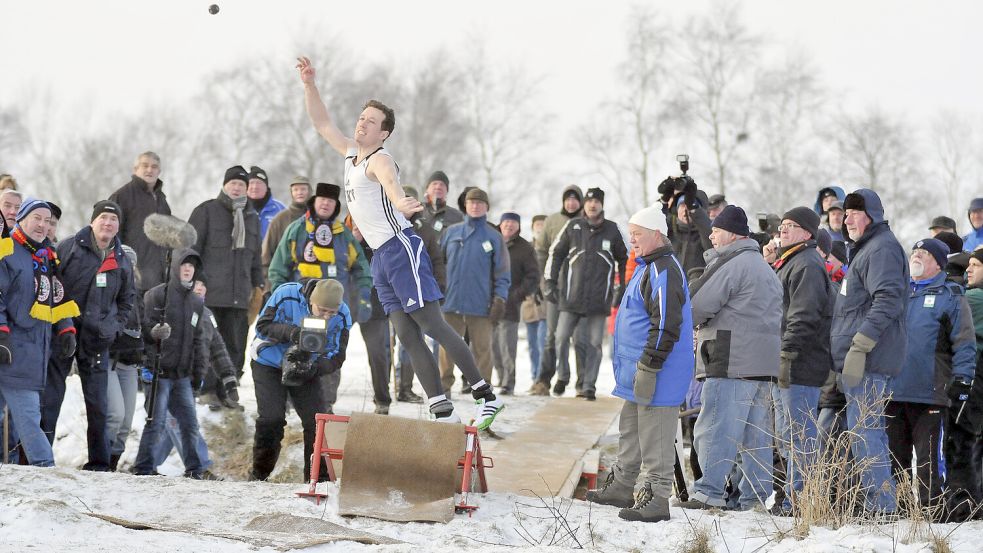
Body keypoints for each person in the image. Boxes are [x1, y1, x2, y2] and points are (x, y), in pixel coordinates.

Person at [297, 56, 503, 428]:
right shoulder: (349, 153)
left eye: (371, 122)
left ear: (384, 133)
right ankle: (441, 409)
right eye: (362, 119)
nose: (362, 125)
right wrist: (310, 85)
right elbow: (321, 122)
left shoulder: (380, 159)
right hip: (379, 256)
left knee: (432, 326)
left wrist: (400, 202)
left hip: (400, 248)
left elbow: (390, 183)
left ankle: (485, 396)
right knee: (406, 335)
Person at [585, 204, 693, 523]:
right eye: (630, 235)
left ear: (656, 234)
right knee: (630, 430)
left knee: (655, 436)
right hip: (637, 372)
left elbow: (667, 324)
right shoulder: (647, 266)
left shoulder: (664, 270)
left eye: (637, 235)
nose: (632, 241)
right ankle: (622, 485)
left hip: (657, 371)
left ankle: (658, 498)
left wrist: (649, 366)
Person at [677, 205, 782, 511]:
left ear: (733, 234)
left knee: (715, 427)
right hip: (763, 365)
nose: (711, 236)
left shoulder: (732, 264)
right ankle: (754, 499)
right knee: (755, 437)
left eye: (717, 230)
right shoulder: (764, 268)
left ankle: (707, 492)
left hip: (730, 359)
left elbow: (696, 305)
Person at [40, 200, 136, 471]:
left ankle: (99, 463)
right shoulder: (70, 246)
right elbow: (53, 287)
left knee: (98, 405)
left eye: (113, 220)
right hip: (65, 333)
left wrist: (114, 327)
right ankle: (39, 457)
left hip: (98, 339)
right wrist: (60, 325)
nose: (108, 223)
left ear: (118, 226)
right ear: (93, 221)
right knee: (51, 398)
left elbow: (128, 299)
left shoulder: (121, 259)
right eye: (103, 218)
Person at [832, 188, 908, 514]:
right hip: (860, 359)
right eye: (845, 212)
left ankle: (882, 508)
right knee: (864, 431)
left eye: (854, 212)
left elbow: (888, 299)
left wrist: (860, 345)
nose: (846, 218)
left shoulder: (882, 249)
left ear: (872, 215)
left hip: (870, 360)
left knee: (866, 432)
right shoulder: (865, 250)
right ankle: (876, 504)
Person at [886, 238, 975, 513]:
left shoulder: (952, 296)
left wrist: (962, 378)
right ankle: (900, 513)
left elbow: (964, 342)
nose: (916, 256)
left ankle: (931, 510)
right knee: (894, 459)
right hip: (893, 390)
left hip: (931, 393)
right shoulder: (898, 292)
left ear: (938, 262)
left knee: (928, 461)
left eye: (923, 253)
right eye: (914, 252)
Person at [269, 181, 371, 413]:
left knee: (329, 353)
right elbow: (278, 267)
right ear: (314, 202)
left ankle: (325, 405)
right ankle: (288, 401)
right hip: (300, 304)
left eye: (331, 201)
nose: (325, 203)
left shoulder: (343, 235)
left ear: (335, 206)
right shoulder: (296, 229)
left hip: (333, 308)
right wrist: (280, 297)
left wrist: (363, 296)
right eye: (322, 199)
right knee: (294, 349)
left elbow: (362, 268)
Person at [0, 200, 79, 467]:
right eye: (37, 218)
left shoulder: (46, 256)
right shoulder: (6, 250)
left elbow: (56, 294)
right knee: (29, 416)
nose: (43, 225)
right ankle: (46, 468)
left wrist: (66, 327)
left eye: (48, 221)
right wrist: (1, 334)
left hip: (35, 349)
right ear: (21, 218)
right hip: (13, 349)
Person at [250, 279, 351, 480]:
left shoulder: (342, 315)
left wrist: (315, 367)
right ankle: (258, 475)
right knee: (272, 419)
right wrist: (293, 333)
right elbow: (262, 326)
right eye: (321, 310)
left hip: (307, 367)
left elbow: (337, 355)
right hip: (269, 361)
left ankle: (316, 479)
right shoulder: (286, 293)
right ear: (311, 300)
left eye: (331, 313)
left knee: (318, 421)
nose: (326, 316)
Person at [769, 207, 834, 514]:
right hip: (787, 363)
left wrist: (786, 353)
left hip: (800, 365)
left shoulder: (806, 264)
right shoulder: (789, 262)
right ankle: (792, 499)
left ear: (808, 233)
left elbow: (803, 316)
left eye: (791, 225)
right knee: (787, 437)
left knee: (800, 438)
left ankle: (802, 501)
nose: (783, 229)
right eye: (782, 225)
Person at [544, 188, 628, 399]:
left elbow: (625, 260)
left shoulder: (612, 229)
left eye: (596, 202)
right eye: (589, 201)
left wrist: (622, 288)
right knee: (561, 338)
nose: (592, 205)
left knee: (594, 344)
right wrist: (550, 282)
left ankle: (588, 385)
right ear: (584, 205)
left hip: (599, 300)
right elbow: (555, 253)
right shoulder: (573, 227)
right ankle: (563, 375)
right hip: (570, 297)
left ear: (602, 205)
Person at [132, 249, 208, 478]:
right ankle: (144, 468)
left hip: (182, 376)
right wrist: (153, 333)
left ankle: (195, 469)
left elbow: (198, 340)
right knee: (155, 422)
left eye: (192, 266)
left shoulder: (196, 302)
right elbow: (143, 328)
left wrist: (198, 373)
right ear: (175, 267)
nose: (188, 269)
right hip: (159, 373)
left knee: (190, 424)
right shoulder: (156, 295)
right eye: (184, 265)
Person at [189, 165, 264, 384]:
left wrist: (258, 285)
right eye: (233, 183)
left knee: (236, 345)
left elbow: (255, 257)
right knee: (208, 343)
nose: (237, 188)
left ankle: (229, 390)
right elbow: (190, 251)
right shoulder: (206, 211)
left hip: (240, 296)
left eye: (242, 184)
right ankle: (208, 391)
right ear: (224, 185)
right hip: (209, 294)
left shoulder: (252, 217)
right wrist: (194, 281)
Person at [439, 188, 511, 396]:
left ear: (487, 207)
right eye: (472, 202)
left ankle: (483, 389)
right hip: (451, 302)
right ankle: (443, 388)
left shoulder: (494, 237)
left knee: (482, 349)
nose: (475, 206)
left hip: (481, 304)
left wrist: (499, 299)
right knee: (447, 348)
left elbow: (503, 272)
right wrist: (436, 291)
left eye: (480, 203)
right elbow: (438, 265)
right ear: (465, 206)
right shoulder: (451, 233)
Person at [530, 185, 583, 396]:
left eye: (575, 199)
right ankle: (543, 380)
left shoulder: (586, 222)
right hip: (555, 287)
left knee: (580, 338)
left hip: (579, 289)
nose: (571, 203)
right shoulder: (552, 221)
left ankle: (582, 383)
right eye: (567, 199)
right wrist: (542, 281)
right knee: (551, 336)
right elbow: (541, 251)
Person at [948, 249, 983, 519]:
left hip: (973, 379)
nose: (968, 270)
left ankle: (964, 506)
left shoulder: (973, 297)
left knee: (961, 442)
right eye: (968, 265)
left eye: (975, 265)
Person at [108, 152, 172, 293]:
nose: (149, 170)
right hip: (130, 277)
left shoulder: (162, 201)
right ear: (135, 169)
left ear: (159, 171)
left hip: (158, 279)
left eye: (154, 167)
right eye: (145, 165)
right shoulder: (122, 196)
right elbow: (110, 236)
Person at [492, 212, 539, 395]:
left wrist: (518, 295)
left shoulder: (525, 248)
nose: (509, 225)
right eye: (506, 222)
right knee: (491, 344)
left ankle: (508, 382)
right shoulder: (492, 241)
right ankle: (499, 376)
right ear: (500, 224)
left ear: (518, 226)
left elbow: (533, 276)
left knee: (507, 345)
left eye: (513, 222)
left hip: (510, 303)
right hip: (489, 302)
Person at [106, 245, 143, 471]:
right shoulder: (107, 289)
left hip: (130, 362)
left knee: (126, 422)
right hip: (109, 360)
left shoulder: (138, 294)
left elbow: (144, 326)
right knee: (114, 416)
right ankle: (100, 461)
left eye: (131, 263)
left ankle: (112, 464)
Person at [261, 176, 313, 287]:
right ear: (291, 193)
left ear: (310, 191)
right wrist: (268, 286)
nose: (299, 192)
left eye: (303, 189)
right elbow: (266, 255)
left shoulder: (318, 218)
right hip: (285, 282)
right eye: (296, 189)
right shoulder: (280, 219)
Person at [521, 214, 548, 381]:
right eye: (537, 224)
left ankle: (541, 377)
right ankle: (534, 375)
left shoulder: (552, 248)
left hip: (546, 301)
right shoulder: (526, 247)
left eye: (543, 224)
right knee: (532, 344)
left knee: (543, 341)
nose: (540, 227)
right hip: (529, 301)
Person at [247, 165, 286, 240]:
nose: (255, 187)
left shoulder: (280, 209)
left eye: (259, 183)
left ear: (266, 188)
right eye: (251, 183)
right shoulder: (238, 208)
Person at [422, 171, 463, 239]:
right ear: (427, 189)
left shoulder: (458, 217)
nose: (438, 187)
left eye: (442, 184)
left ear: (447, 191)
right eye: (434, 183)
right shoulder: (417, 210)